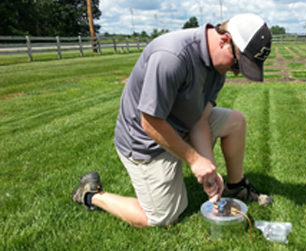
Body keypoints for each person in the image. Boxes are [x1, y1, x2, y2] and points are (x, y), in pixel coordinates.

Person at [72, 13, 274, 228]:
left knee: (235, 121)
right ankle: (91, 194)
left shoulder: (218, 67)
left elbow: (200, 119)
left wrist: (209, 168)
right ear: (224, 40)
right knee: (163, 218)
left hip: (179, 124)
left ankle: (235, 186)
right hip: (144, 140)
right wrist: (194, 160)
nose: (235, 73)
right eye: (238, 64)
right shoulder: (171, 57)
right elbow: (149, 122)